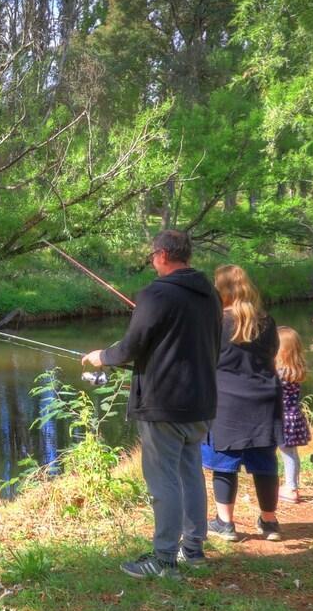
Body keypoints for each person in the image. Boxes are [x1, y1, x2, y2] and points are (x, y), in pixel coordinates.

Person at [80, 230, 221, 579]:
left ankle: (163, 559)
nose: (152, 259)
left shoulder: (156, 293)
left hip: (164, 404)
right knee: (190, 475)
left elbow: (130, 347)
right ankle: (194, 549)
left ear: (161, 255)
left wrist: (103, 356)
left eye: (152, 255)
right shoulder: (211, 294)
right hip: (201, 401)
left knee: (164, 482)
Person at [204, 265, 284, 541]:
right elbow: (273, 352)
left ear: (221, 289)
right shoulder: (266, 321)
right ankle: (270, 523)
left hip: (227, 402)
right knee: (265, 461)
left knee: (224, 463)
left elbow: (205, 358)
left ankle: (225, 524)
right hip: (265, 398)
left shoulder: (215, 322)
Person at [275, 325, 311, 503]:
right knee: (292, 453)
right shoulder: (296, 369)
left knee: (287, 453)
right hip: (293, 416)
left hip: (283, 419)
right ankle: (293, 485)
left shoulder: (280, 373)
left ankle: (290, 488)